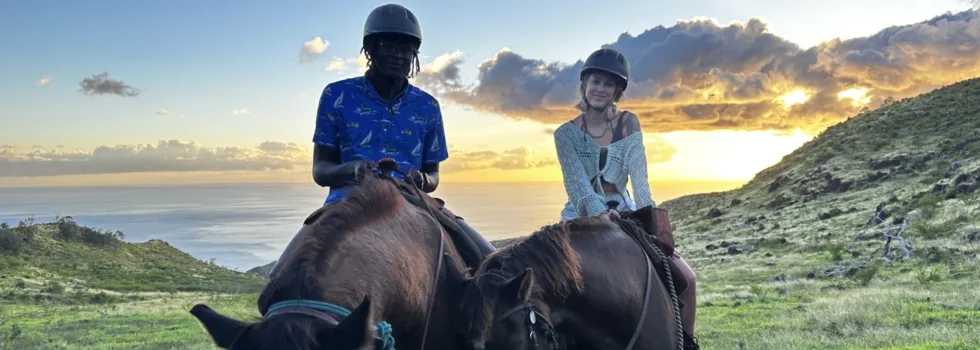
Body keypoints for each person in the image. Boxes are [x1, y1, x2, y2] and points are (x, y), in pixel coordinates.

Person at [269, 3, 495, 277]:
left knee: (491, 263)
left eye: (407, 48)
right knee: (281, 275)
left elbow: (433, 176)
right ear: (370, 49)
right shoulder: (336, 95)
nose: (399, 55)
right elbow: (321, 170)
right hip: (348, 200)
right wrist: (354, 170)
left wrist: (420, 179)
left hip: (414, 201)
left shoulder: (427, 106)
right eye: (389, 45)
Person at [552, 47, 700, 349]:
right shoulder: (564, 134)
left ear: (618, 90)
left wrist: (649, 216)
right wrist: (599, 214)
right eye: (595, 81)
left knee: (687, 279)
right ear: (584, 83)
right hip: (581, 219)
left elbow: (640, 176)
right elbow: (578, 187)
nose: (600, 89)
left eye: (609, 84)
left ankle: (685, 342)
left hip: (628, 216)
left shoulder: (629, 123)